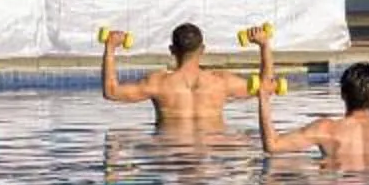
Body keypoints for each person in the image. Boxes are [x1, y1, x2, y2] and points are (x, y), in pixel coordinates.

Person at [98, 21, 253, 137]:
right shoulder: (221, 81)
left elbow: (111, 92)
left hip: (170, 152)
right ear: (203, 50)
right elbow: (267, 87)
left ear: (172, 50)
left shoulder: (158, 83)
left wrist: (110, 48)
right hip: (212, 152)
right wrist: (264, 44)